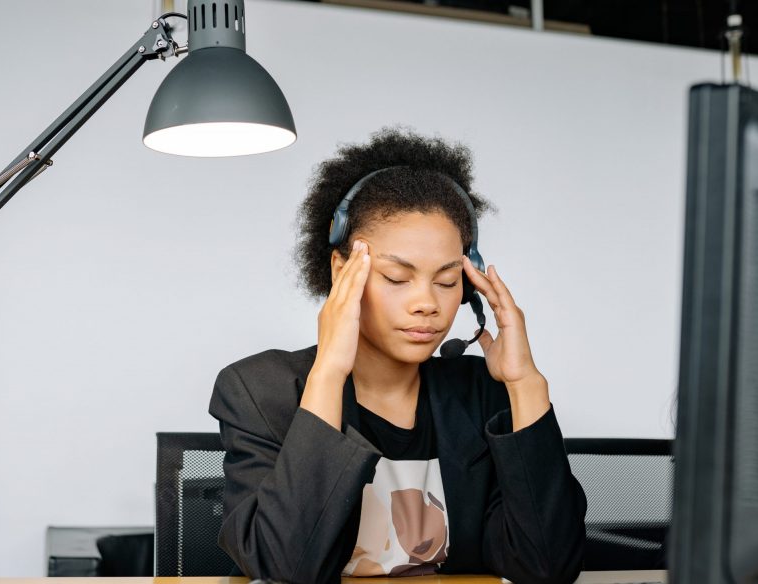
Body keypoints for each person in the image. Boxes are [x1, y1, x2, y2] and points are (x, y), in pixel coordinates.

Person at [208, 127, 587, 584]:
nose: (427, 302)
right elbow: (288, 568)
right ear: (341, 271)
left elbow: (548, 566)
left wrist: (526, 383)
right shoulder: (260, 390)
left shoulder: (481, 393)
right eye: (396, 277)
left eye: (447, 281)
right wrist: (328, 372)